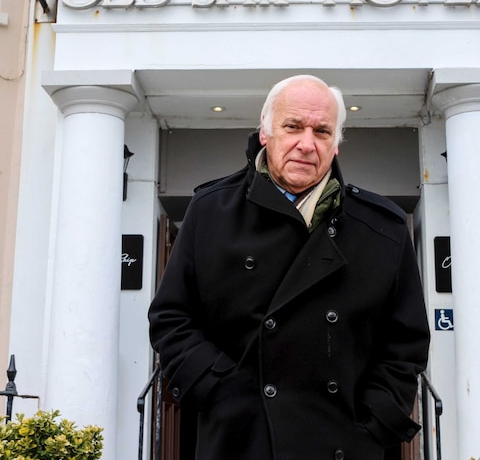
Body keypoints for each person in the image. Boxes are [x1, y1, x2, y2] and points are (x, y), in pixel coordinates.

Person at [148, 75, 431, 460]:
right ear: (265, 133)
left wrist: (373, 422)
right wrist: (221, 391)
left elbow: (406, 345)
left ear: (336, 146)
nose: (306, 144)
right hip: (239, 441)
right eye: (293, 127)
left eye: (322, 131)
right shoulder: (211, 210)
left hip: (343, 443)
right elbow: (172, 318)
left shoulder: (384, 227)